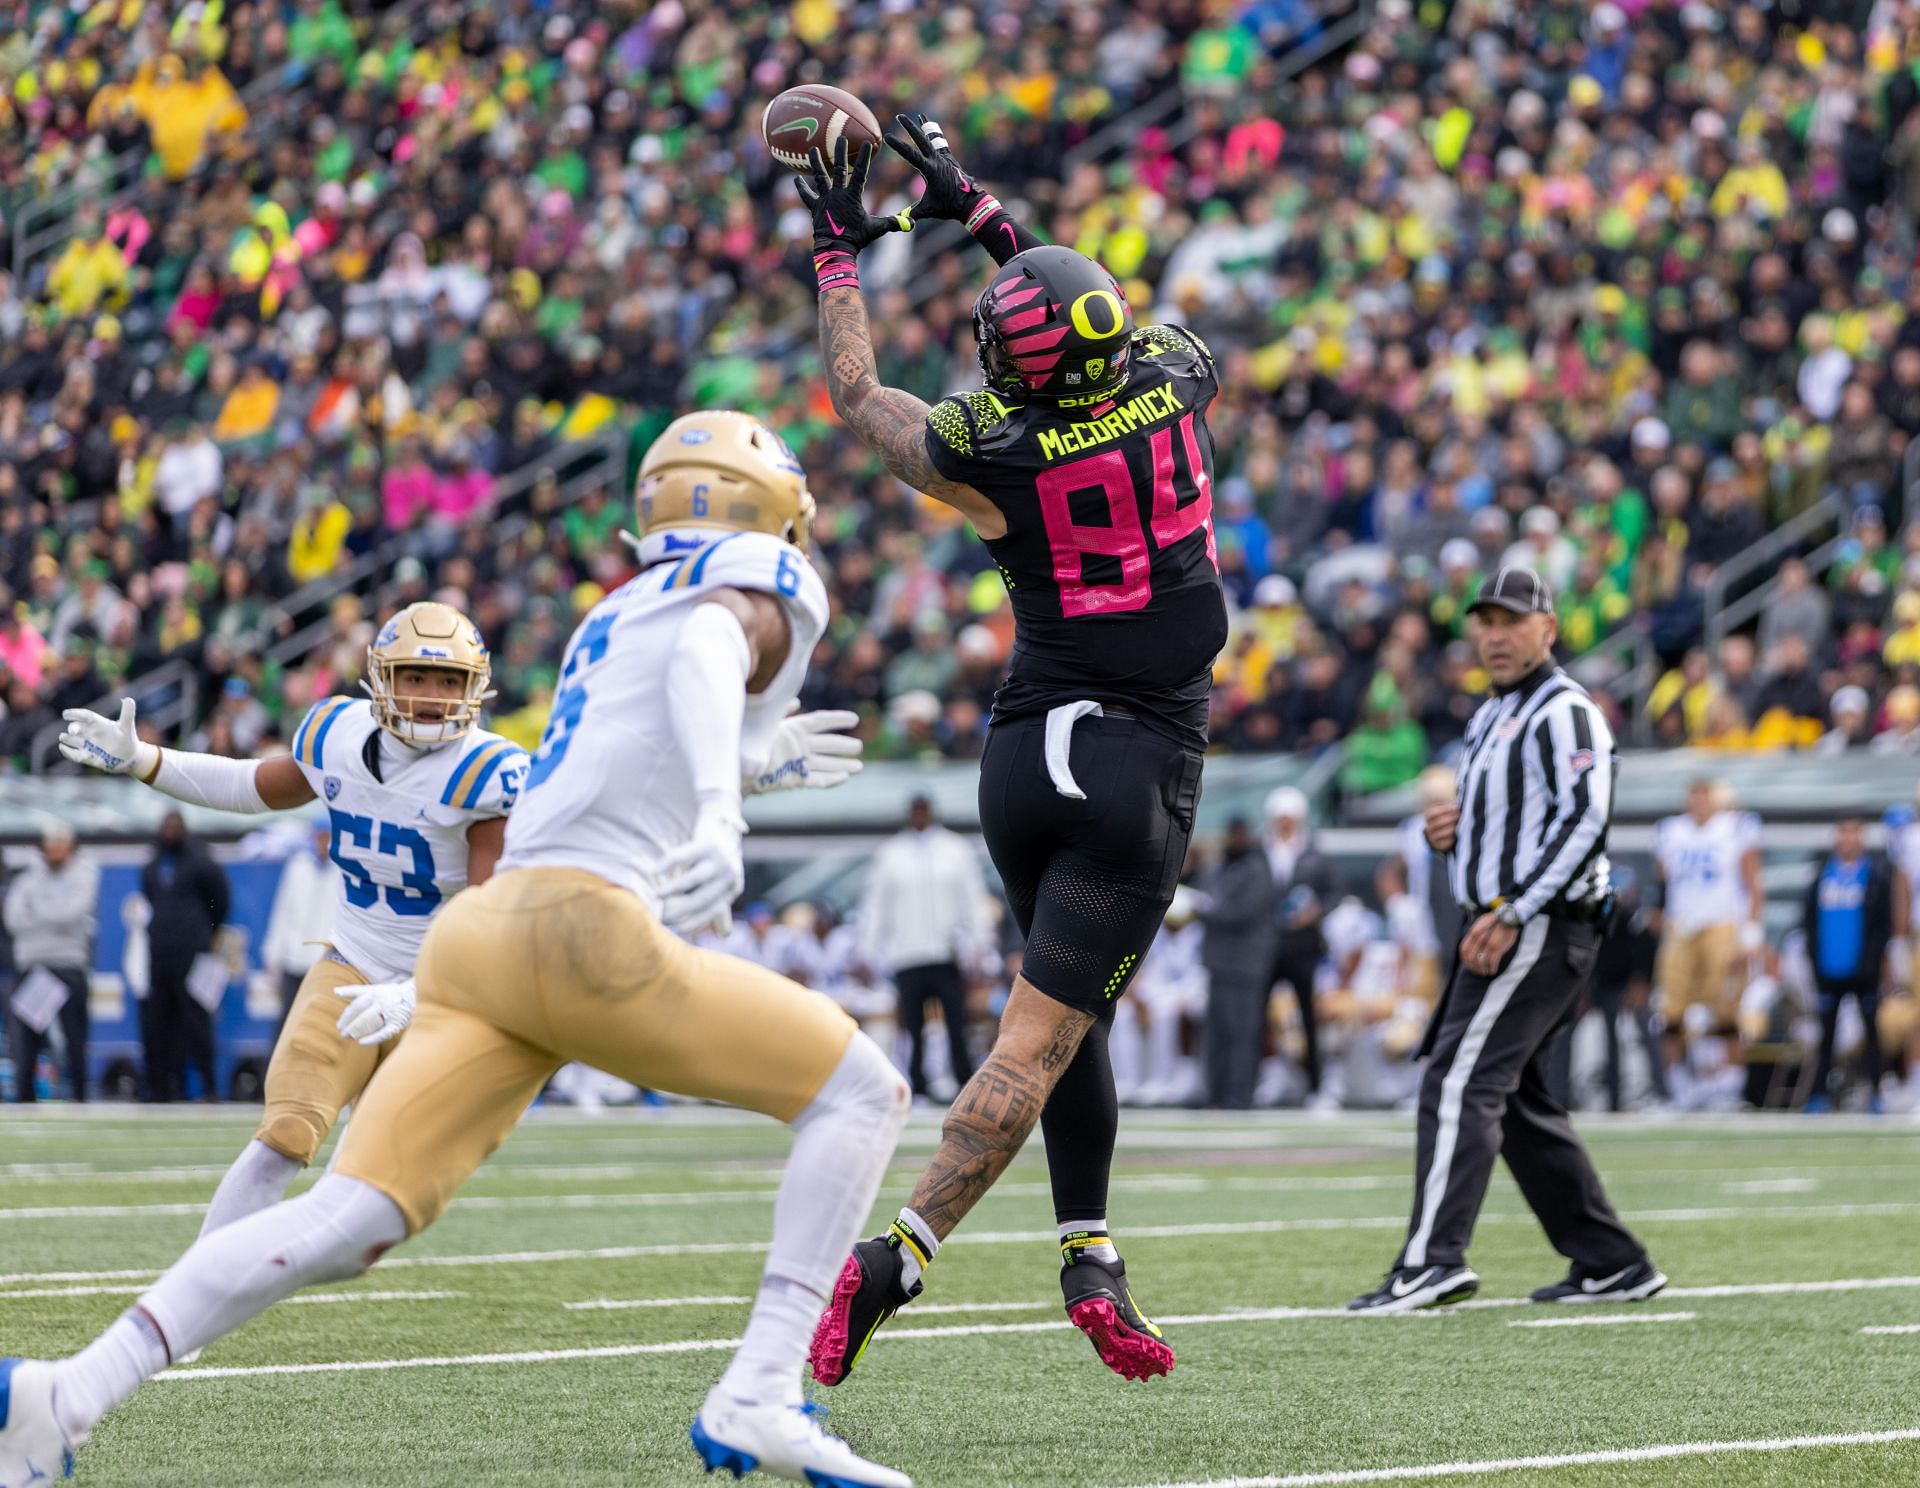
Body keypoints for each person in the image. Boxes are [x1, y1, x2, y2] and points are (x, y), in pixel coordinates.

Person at [3, 411, 910, 1488]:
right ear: (766, 511)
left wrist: (743, 772)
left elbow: (603, 767)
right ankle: (759, 1387)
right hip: (569, 929)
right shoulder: (753, 585)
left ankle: (67, 1393)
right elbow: (715, 644)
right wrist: (722, 807)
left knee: (347, 1216)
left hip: (479, 939)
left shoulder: (613, 616)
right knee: (861, 1097)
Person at [803, 118, 1224, 1383]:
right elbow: (1098, 309)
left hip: (1023, 752)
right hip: (1137, 762)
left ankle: (1091, 1256)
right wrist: (971, 202)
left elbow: (858, 394)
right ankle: (898, 1256)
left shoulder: (998, 455)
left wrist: (837, 251)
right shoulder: (1181, 376)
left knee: (1067, 1016)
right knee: (1035, 1040)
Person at [62, 602, 529, 1237]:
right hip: (353, 965)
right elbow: (251, 786)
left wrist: (419, 995)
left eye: (447, 682)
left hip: (446, 993)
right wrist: (148, 761)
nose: (430, 697)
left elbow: (488, 923)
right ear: (380, 678)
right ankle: (187, 1317)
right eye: (415, 677)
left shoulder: (488, 773)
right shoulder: (336, 734)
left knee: (373, 1185)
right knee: (284, 1131)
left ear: (475, 687)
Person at [1348, 568, 1664, 1314]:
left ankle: (1431, 1261)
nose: (1494, 634)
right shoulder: (1492, 715)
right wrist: (1456, 831)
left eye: (1512, 620)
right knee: (1514, 1097)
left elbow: (1587, 820)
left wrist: (1515, 909)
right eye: (1484, 620)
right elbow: (1519, 814)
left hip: (1536, 925)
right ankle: (1611, 1261)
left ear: (1547, 628)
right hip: (1506, 921)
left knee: (1458, 1079)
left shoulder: (1566, 711)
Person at [858, 794, 990, 1098]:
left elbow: (972, 899)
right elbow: (876, 904)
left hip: (946, 952)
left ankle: (962, 1079)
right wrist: (868, 950)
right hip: (907, 952)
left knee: (956, 1021)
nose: (919, 816)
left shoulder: (955, 849)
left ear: (930, 813)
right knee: (913, 1025)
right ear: (909, 815)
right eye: (914, 811)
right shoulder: (891, 853)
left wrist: (980, 944)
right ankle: (917, 1082)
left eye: (923, 811)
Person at [1649, 780, 1763, 1086]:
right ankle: (1678, 1086)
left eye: (1704, 797)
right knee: (1670, 1009)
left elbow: (1753, 883)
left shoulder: (1734, 827)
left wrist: (1750, 933)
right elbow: (1661, 876)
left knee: (1725, 1009)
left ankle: (1730, 1083)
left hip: (1721, 923)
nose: (1698, 804)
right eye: (1694, 798)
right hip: (1681, 925)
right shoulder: (1671, 831)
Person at [1801, 817, 1897, 1115]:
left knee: (1872, 1034)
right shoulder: (1821, 876)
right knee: (1825, 1037)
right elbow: (1810, 924)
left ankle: (1876, 1094)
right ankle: (1818, 1095)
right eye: (1843, 831)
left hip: (1863, 971)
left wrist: (1877, 961)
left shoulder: (1876, 877)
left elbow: (1884, 924)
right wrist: (1815, 963)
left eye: (1853, 832)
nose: (1848, 838)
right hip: (1829, 969)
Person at [135, 812, 229, 1102]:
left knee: (196, 1021)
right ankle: (166, 1087)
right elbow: (151, 901)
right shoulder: (152, 866)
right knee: (161, 1023)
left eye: (176, 826)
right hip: (161, 954)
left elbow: (220, 899)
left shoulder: (200, 862)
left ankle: (208, 1086)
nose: (171, 831)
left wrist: (204, 933)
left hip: (192, 954)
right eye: (166, 826)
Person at [3, 822, 100, 1101]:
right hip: (33, 966)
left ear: (71, 847)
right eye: (51, 843)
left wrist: (38, 914)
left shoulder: (84, 875)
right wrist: (53, 919)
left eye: (61, 843)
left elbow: (72, 913)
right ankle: (24, 1098)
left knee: (74, 1039)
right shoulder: (27, 878)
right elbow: (14, 918)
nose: (55, 849)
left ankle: (80, 1097)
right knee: (26, 1040)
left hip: (68, 965)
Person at [1196, 817, 1278, 1109]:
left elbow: (1241, 911)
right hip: (1219, 962)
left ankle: (1239, 1094)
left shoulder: (1257, 869)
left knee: (1241, 1032)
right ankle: (1214, 1093)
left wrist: (1204, 910)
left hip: (1245, 964)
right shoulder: (1221, 867)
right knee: (1216, 1033)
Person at [1264, 786, 1336, 1097]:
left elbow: (1334, 893)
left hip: (1303, 947)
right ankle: (1262, 1080)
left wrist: (1315, 912)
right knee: (1257, 1015)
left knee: (1309, 1015)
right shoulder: (1263, 851)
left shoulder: (1314, 855)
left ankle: (1315, 1084)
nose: (1285, 824)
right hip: (1267, 945)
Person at [258, 815, 340, 1039]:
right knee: (285, 1025)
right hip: (293, 961)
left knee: (319, 1026)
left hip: (322, 963)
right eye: (319, 837)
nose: (322, 843)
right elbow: (283, 910)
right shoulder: (298, 866)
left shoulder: (342, 872)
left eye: (327, 838)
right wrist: (272, 953)